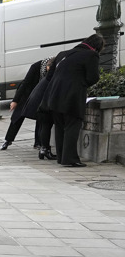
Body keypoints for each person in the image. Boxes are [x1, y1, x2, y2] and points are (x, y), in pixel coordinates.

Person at [44, 34, 103, 168]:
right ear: (97, 47)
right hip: (72, 95)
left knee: (59, 126)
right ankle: (70, 159)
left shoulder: (62, 54)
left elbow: (49, 77)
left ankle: (61, 157)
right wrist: (80, 83)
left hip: (54, 95)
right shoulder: (91, 55)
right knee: (72, 124)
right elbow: (93, 77)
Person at [1, 56, 55, 153]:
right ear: (47, 65)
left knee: (40, 117)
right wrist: (15, 101)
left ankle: (38, 142)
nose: (48, 72)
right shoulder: (36, 67)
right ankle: (8, 140)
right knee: (17, 117)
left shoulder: (54, 68)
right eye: (48, 69)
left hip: (40, 95)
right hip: (27, 94)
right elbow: (25, 83)